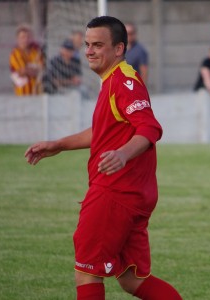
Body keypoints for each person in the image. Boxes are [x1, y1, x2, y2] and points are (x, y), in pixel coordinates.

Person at [25, 16, 182, 300]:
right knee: (131, 278)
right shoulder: (112, 81)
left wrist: (122, 154)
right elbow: (103, 130)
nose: (89, 51)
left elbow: (149, 127)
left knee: (86, 272)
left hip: (115, 192)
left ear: (119, 48)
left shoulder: (124, 82)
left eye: (98, 45)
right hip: (133, 193)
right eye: (87, 45)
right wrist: (59, 144)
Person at [9, 24, 44, 96]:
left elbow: (41, 70)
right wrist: (33, 69)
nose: (26, 40)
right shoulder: (15, 54)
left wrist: (30, 69)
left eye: (28, 37)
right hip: (23, 93)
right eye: (23, 37)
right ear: (18, 39)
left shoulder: (36, 52)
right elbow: (22, 71)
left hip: (37, 93)